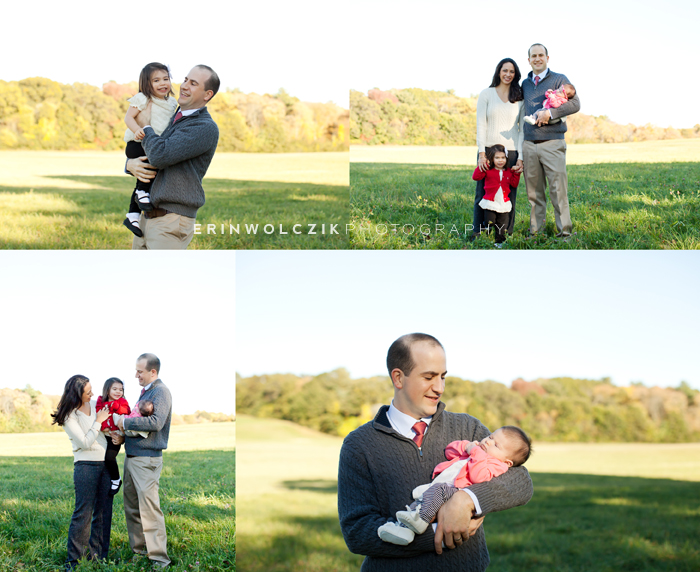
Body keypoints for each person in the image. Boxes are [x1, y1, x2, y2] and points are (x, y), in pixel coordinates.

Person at [338, 334, 533, 572]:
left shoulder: (468, 427)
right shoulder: (359, 444)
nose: (439, 388)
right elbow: (358, 533)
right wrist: (440, 532)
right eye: (429, 377)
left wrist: (467, 500)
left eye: (443, 377)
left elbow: (520, 480)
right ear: (398, 378)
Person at [378, 426, 532, 545]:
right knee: (421, 503)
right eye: (490, 436)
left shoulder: (496, 465)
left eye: (496, 445)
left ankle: (420, 520)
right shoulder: (476, 450)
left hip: (455, 491)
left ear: (507, 462)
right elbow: (449, 452)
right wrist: (466, 446)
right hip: (444, 485)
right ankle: (403, 530)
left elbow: (478, 476)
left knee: (437, 492)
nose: (488, 441)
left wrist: (476, 452)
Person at [126, 65, 220, 250]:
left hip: (172, 220)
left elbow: (160, 155)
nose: (184, 86)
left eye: (193, 83)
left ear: (207, 95)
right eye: (185, 79)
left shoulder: (203, 127)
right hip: (148, 217)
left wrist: (145, 126)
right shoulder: (172, 116)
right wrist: (129, 164)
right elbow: (150, 152)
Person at [51, 374, 118, 571]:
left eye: (92, 390)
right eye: (88, 392)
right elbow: (85, 442)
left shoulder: (97, 405)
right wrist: (98, 421)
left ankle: (98, 557)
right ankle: (74, 561)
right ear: (77, 393)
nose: (93, 394)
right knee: (83, 514)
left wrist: (117, 437)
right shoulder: (69, 416)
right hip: (86, 466)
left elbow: (108, 428)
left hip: (106, 464)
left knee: (103, 513)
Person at [116, 353, 172, 568]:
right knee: (132, 508)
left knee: (149, 509)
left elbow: (156, 422)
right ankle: (139, 552)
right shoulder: (146, 392)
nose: (136, 375)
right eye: (136, 370)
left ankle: (159, 558)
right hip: (132, 458)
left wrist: (124, 422)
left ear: (153, 372)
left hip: (146, 460)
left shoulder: (161, 392)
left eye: (140, 371)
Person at [521, 43, 580, 239]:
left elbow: (575, 104)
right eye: (533, 56)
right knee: (534, 194)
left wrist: (551, 113)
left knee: (558, 191)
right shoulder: (525, 84)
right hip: (529, 145)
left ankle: (565, 233)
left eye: (541, 55)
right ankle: (536, 232)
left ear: (547, 58)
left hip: (553, 143)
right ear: (528, 60)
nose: (537, 59)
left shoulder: (559, 79)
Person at [122, 62, 178, 237]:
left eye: (165, 79)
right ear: (147, 84)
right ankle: (142, 192)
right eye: (156, 80)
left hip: (154, 144)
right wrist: (137, 130)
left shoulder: (171, 103)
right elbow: (128, 117)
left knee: (146, 174)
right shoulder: (143, 98)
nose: (162, 83)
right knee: (147, 172)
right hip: (138, 143)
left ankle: (132, 215)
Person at [473, 58, 524, 240]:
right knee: (483, 192)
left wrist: (521, 157)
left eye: (511, 71)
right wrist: (481, 153)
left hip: (511, 152)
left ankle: (504, 232)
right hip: (488, 150)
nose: (508, 74)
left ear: (515, 74)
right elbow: (481, 124)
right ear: (498, 72)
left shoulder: (519, 98)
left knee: (509, 194)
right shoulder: (486, 94)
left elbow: (522, 129)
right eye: (505, 70)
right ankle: (479, 231)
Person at [471, 145, 521, 247]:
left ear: (506, 159)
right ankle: (487, 230)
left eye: (503, 158)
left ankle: (499, 242)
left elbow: (514, 184)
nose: (500, 160)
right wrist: (482, 165)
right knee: (489, 222)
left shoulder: (508, 172)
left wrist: (516, 173)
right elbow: (475, 177)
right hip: (490, 203)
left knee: (501, 226)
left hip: (503, 203)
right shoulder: (488, 170)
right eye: (497, 158)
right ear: (492, 159)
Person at [95, 377, 131, 495]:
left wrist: (115, 406)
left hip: (116, 435)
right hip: (103, 434)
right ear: (107, 390)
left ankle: (116, 479)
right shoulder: (100, 401)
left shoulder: (122, 402)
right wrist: (103, 425)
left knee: (109, 458)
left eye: (121, 390)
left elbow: (127, 413)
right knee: (101, 458)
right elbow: (99, 412)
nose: (118, 392)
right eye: (114, 389)